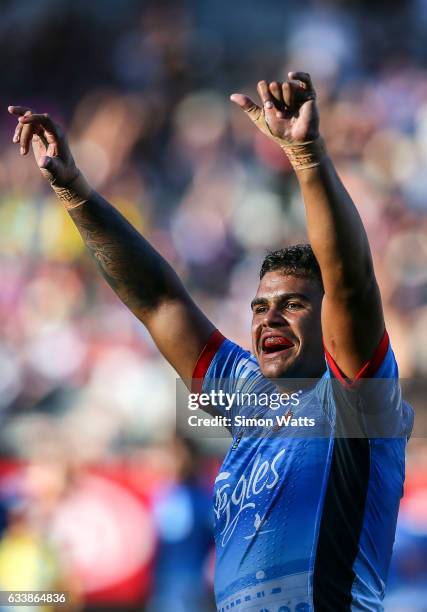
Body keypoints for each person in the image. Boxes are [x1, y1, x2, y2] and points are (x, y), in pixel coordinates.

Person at [8, 71, 413, 611]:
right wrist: (75, 191)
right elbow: (159, 302)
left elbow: (351, 280)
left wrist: (307, 157)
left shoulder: (357, 406)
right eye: (260, 308)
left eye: (293, 305)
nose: (269, 320)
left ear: (330, 323)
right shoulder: (246, 398)